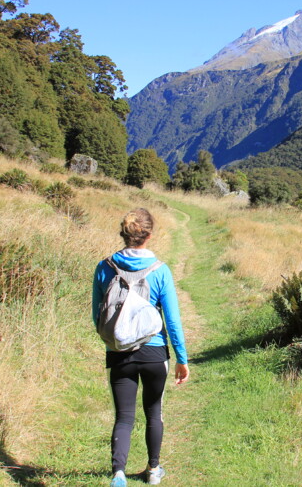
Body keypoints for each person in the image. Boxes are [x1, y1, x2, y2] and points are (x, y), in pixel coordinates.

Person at [92, 208, 189, 487]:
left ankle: (118, 474)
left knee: (123, 416)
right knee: (153, 411)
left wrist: (114, 342)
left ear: (125, 234)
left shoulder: (105, 267)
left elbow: (97, 315)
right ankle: (153, 470)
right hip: (154, 352)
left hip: (119, 351)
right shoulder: (161, 271)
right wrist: (182, 359)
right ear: (149, 234)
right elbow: (171, 321)